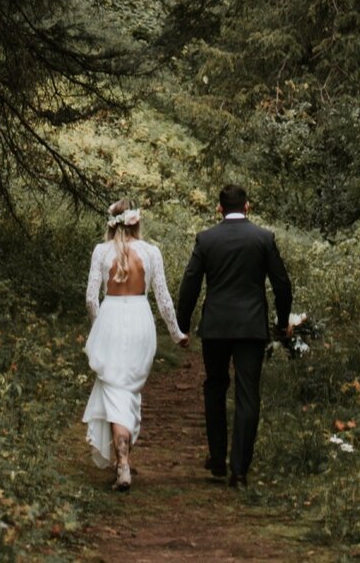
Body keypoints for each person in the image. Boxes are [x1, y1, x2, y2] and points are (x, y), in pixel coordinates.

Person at [175, 183, 292, 488]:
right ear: (248, 207)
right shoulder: (263, 238)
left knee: (214, 386)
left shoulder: (206, 239)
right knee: (247, 393)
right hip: (251, 327)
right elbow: (282, 283)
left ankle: (217, 458)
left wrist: (182, 323)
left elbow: (190, 283)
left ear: (219, 209)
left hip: (215, 326)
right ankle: (239, 470)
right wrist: (281, 321)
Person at [83, 198, 188, 490]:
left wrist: (97, 327)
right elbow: (163, 299)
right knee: (127, 390)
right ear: (136, 222)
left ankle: (123, 465)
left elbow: (92, 298)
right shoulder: (151, 252)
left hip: (111, 318)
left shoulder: (101, 252)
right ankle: (123, 462)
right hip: (141, 322)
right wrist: (177, 333)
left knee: (115, 389)